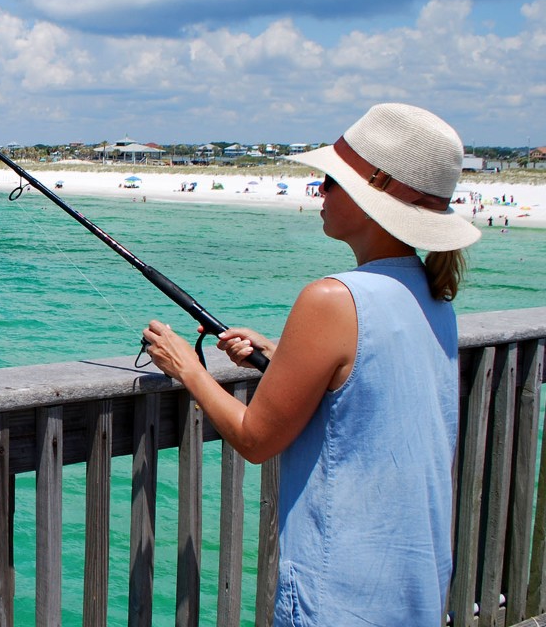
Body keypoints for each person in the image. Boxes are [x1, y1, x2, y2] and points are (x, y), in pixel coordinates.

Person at [141, 103, 480, 626]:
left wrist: (188, 367)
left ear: (375, 194)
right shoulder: (433, 294)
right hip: (412, 585)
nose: (318, 191)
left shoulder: (331, 298)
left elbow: (255, 439)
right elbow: (370, 378)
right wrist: (284, 355)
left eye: (331, 181)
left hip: (339, 589)